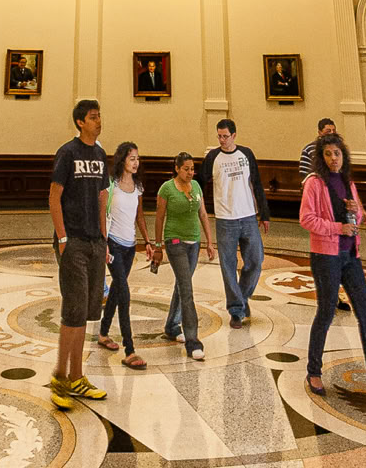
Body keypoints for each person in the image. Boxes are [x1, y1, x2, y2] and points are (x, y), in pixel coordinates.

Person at [299, 132, 366, 403]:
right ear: (321, 158)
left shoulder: (348, 182)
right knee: (325, 313)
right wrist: (338, 227)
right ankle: (314, 370)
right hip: (326, 256)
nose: (333, 159)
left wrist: (354, 210)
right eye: (328, 154)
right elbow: (306, 218)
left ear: (343, 155)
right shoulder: (314, 183)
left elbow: (358, 215)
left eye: (337, 153)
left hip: (351, 255)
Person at [49, 100, 110, 408]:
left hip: (94, 242)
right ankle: (60, 377)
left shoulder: (100, 155)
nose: (98, 121)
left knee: (85, 312)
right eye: (93, 117)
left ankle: (76, 376)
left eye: (99, 116)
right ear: (79, 122)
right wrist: (62, 238)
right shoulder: (68, 153)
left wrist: (104, 237)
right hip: (72, 241)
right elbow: (54, 196)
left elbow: (102, 197)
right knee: (72, 311)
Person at [199, 118, 269, 328]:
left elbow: (256, 183)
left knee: (255, 261)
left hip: (248, 216)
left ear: (234, 135)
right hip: (225, 219)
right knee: (228, 265)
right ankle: (236, 311)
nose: (222, 140)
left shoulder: (246, 154)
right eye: (219, 136)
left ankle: (241, 297)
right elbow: (200, 184)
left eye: (225, 136)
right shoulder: (212, 157)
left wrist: (264, 214)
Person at [153, 152, 215, 360]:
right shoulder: (167, 188)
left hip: (193, 243)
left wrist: (209, 241)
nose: (190, 173)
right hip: (175, 242)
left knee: (182, 285)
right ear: (177, 168)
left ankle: (172, 326)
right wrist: (158, 245)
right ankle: (193, 341)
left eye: (192, 169)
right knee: (187, 289)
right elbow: (159, 217)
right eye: (186, 169)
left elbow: (203, 214)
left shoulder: (196, 186)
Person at [97, 141, 153, 369]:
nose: (136, 162)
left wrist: (147, 241)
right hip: (114, 244)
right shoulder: (110, 186)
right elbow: (102, 216)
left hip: (130, 247)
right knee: (125, 293)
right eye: (132, 159)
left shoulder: (137, 186)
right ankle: (130, 349)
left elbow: (140, 217)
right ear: (122, 160)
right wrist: (104, 245)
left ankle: (102, 332)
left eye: (137, 159)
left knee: (118, 291)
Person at [299, 116, 350, 311]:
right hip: (319, 209)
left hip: (338, 210)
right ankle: (329, 298)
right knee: (325, 257)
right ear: (319, 132)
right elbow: (305, 177)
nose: (331, 134)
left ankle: (336, 296)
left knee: (338, 257)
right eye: (328, 131)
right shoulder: (309, 151)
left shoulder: (339, 152)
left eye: (333, 131)